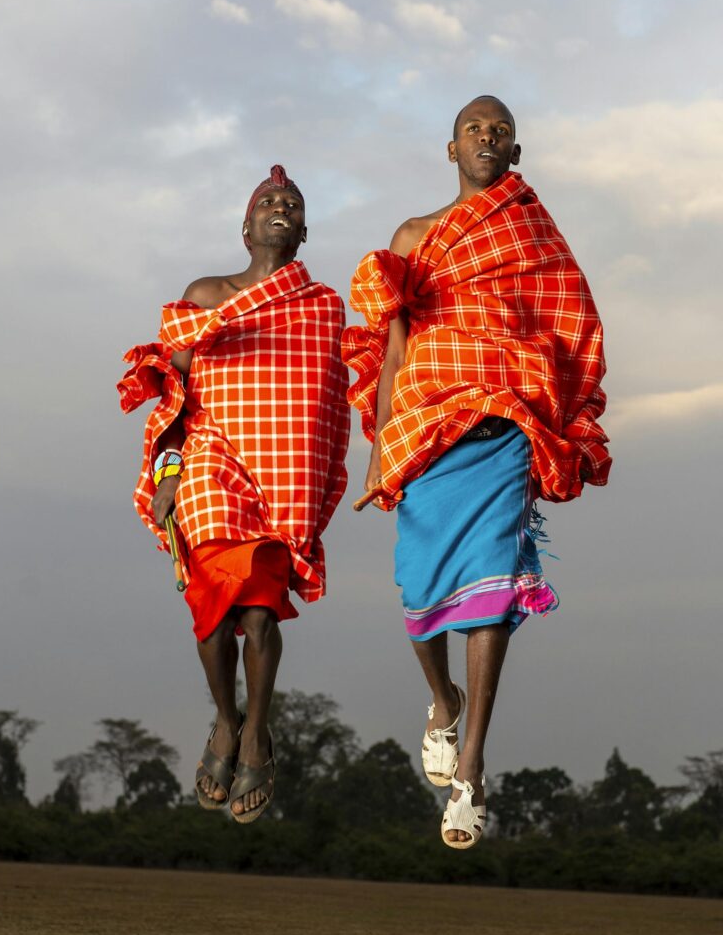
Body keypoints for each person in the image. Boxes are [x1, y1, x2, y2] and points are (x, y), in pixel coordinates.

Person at [343, 97, 611, 848]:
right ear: (450, 147)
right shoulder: (415, 236)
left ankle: (471, 767)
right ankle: (442, 699)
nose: (486, 139)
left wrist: (552, 408)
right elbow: (392, 352)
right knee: (419, 592)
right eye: (473, 130)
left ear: (515, 152)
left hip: (505, 429)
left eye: (500, 132)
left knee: (490, 593)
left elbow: (568, 319)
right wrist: (378, 452)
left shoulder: (531, 231)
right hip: (427, 428)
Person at [118, 165, 349, 823]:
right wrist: (166, 476)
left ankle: (255, 734)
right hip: (210, 465)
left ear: (303, 231)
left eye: (292, 204)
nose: (280, 206)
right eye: (268, 201)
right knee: (215, 616)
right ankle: (226, 719)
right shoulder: (206, 293)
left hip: (283, 477)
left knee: (259, 616)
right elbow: (174, 397)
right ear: (245, 227)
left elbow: (327, 406)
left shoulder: (322, 307)